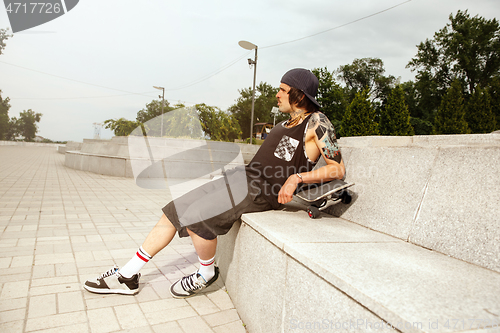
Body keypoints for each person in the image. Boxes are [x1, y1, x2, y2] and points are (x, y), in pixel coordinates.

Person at [83, 68, 345, 298]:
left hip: (261, 191)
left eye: (282, 89)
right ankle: (128, 275)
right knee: (173, 210)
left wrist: (297, 178)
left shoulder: (317, 122)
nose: (277, 94)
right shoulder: (287, 121)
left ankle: (206, 273)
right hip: (242, 178)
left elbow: (337, 169)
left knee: (197, 217)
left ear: (298, 95)